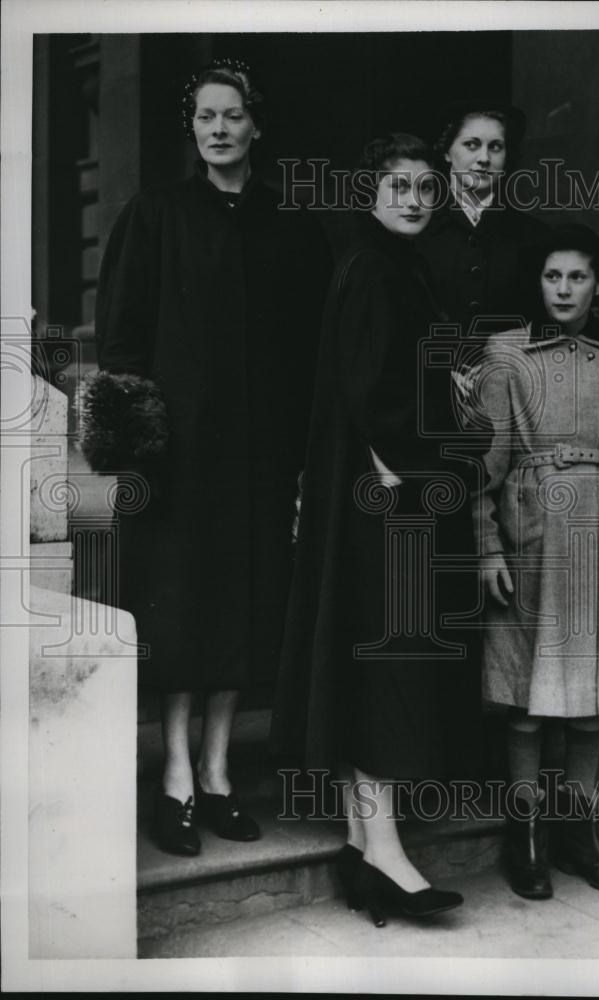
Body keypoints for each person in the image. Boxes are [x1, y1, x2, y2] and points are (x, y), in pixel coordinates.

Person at [94, 60, 330, 856]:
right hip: (178, 456)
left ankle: (221, 773)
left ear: (255, 125)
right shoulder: (155, 214)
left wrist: (302, 460)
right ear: (191, 127)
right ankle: (174, 780)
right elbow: (122, 337)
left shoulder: (290, 222)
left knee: (242, 608)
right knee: (182, 612)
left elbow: (308, 351)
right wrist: (138, 446)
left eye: (232, 115)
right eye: (205, 116)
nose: (219, 129)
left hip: (261, 455)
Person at [271, 133, 486, 926]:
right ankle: (385, 850)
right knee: (388, 668)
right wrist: (423, 457)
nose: (413, 200)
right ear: (371, 192)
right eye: (398, 185)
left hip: (390, 496)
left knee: (381, 667)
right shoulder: (372, 270)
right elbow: (370, 398)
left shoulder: (398, 270)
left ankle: (369, 850)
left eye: (427, 188)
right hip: (390, 502)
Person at [474, 224, 599, 899]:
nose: (563, 289)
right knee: (528, 704)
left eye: (577, 277)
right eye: (551, 276)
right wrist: (486, 546)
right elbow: (482, 465)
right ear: (537, 283)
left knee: (590, 703)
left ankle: (578, 832)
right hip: (529, 534)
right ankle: (525, 832)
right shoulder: (506, 353)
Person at [418, 100, 546, 337]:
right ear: (447, 152)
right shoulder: (417, 231)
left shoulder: (534, 237)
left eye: (496, 147)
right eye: (471, 145)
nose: (484, 158)